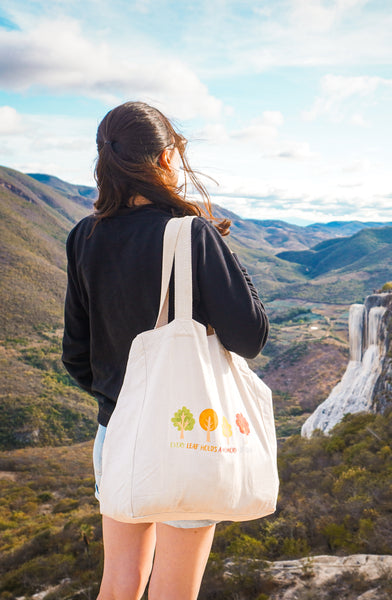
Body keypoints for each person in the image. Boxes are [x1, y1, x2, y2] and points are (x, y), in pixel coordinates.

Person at [62, 101, 269, 600]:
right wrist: (219, 247)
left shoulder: (84, 236)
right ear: (165, 158)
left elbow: (76, 354)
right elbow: (251, 336)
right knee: (174, 592)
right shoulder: (191, 234)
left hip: (118, 431)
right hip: (191, 431)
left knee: (119, 585)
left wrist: (124, 398)